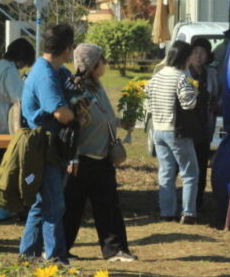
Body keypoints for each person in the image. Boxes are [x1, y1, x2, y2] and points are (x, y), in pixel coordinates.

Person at [62, 43, 136, 262]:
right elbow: (75, 125)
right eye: (102, 60)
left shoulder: (97, 86)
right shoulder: (77, 89)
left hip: (102, 157)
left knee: (109, 206)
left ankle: (115, 250)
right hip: (80, 159)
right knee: (71, 208)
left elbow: (104, 117)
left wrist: (121, 122)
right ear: (93, 64)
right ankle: (60, 248)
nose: (105, 64)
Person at [19, 24, 77, 264]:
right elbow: (62, 114)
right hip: (44, 147)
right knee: (55, 205)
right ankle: (56, 259)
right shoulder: (44, 75)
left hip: (48, 146)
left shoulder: (55, 70)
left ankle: (28, 254)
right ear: (67, 49)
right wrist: (77, 113)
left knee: (42, 203)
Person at [146, 41, 199, 224]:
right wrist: (195, 92)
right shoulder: (180, 77)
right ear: (185, 58)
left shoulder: (157, 76)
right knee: (190, 172)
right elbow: (188, 103)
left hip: (158, 129)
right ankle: (188, 213)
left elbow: (147, 102)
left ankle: (167, 212)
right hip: (176, 130)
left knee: (166, 172)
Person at [187, 36, 220, 214]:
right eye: (195, 53)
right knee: (184, 167)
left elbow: (219, 95)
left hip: (205, 125)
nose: (199, 56)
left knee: (201, 164)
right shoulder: (184, 73)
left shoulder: (212, 74)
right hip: (187, 128)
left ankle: (197, 202)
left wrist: (216, 104)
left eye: (203, 53)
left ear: (208, 55)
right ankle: (184, 203)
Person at [0, 38, 35, 136]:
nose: (23, 67)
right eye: (25, 63)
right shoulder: (9, 71)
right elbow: (22, 100)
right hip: (0, 128)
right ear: (21, 59)